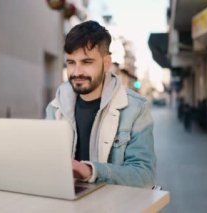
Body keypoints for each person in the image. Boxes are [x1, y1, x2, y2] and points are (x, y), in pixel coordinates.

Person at [46, 20, 156, 188]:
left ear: (106, 63)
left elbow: (144, 175)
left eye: (87, 62)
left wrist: (91, 171)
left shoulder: (135, 108)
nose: (77, 72)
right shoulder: (55, 108)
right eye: (71, 62)